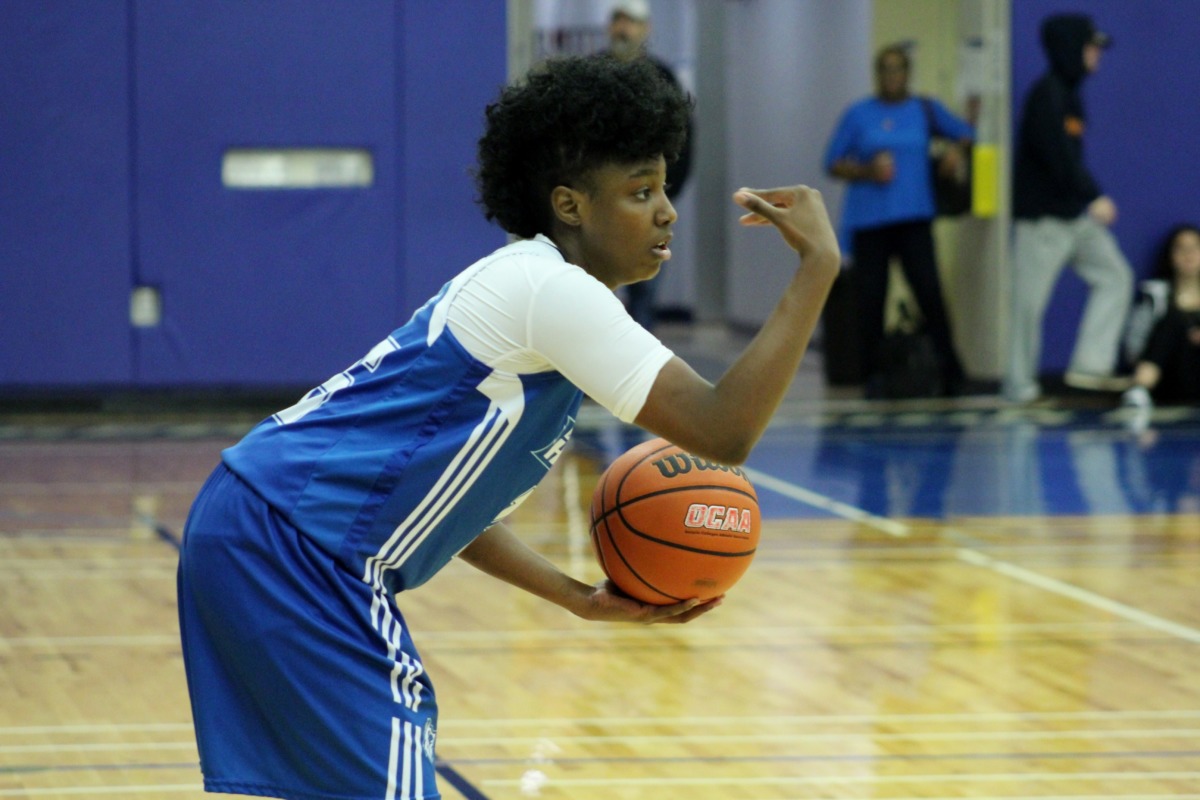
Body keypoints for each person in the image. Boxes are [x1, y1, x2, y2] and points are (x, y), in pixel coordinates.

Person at [176, 54, 839, 800]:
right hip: (296, 547)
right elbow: (723, 431)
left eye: (662, 187)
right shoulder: (548, 291)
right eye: (640, 191)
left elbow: (446, 507)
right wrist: (817, 268)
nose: (666, 211)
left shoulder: (533, 288)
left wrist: (575, 597)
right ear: (570, 205)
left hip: (262, 528)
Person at [823, 44, 973, 398]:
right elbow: (831, 162)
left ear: (908, 73)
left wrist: (955, 152)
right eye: (885, 70)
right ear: (878, 75)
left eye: (898, 69)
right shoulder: (859, 114)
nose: (892, 76)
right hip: (870, 222)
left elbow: (967, 133)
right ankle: (872, 374)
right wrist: (866, 170)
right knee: (871, 300)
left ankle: (950, 369)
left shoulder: (925, 109)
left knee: (930, 293)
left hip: (914, 218)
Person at [1005, 13, 1133, 403]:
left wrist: (1084, 200)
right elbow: (1059, 158)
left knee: (1115, 276)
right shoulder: (1046, 95)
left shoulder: (1070, 95)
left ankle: (1090, 367)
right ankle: (1020, 389)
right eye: (1091, 47)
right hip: (1042, 223)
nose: (1097, 55)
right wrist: (1094, 195)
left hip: (1072, 218)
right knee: (1027, 308)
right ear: (1070, 48)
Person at [602, 0, 694, 331]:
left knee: (645, 292)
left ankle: (641, 377)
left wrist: (662, 195)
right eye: (618, 21)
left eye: (631, 22)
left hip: (647, 205)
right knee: (594, 292)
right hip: (599, 206)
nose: (623, 29)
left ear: (646, 29)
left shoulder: (662, 78)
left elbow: (682, 142)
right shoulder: (590, 75)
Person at [1121, 224, 1200, 415]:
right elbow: (1134, 346)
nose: (1188, 254)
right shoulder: (1154, 295)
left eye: (1195, 248)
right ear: (1170, 255)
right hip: (1168, 376)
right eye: (1181, 248)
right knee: (1173, 320)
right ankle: (1140, 390)